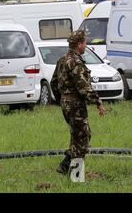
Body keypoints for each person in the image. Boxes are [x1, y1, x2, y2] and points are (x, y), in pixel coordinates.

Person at [50, 30, 106, 175]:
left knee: (76, 136)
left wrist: (62, 99)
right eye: (85, 43)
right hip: (75, 105)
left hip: (66, 104)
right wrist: (98, 102)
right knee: (83, 137)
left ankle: (65, 167)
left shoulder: (62, 60)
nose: (85, 46)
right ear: (79, 44)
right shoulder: (76, 62)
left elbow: (53, 82)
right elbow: (84, 88)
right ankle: (75, 175)